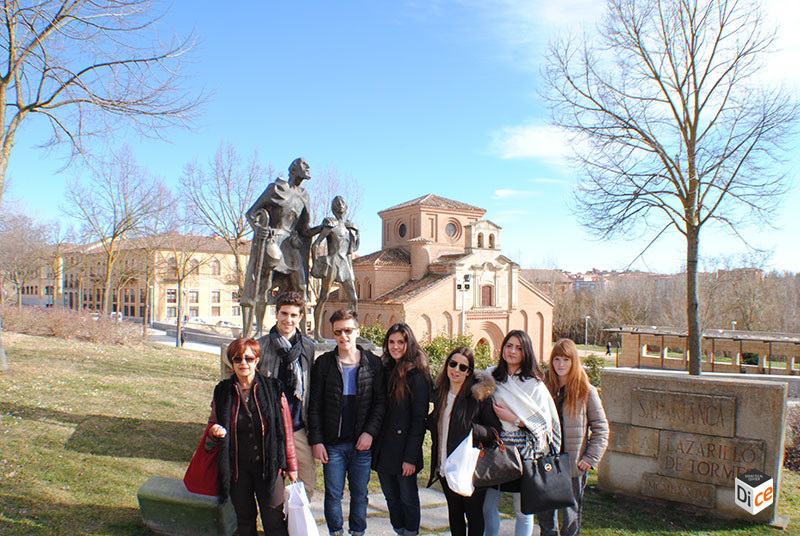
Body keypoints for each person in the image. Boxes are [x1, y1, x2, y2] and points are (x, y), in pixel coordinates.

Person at [206, 337, 298, 536]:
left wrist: (292, 466)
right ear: (232, 362)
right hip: (238, 469)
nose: (243, 363)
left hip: (269, 467)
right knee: (245, 521)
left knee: (274, 521)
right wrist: (214, 431)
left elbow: (286, 430)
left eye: (248, 358)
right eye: (237, 359)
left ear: (257, 360)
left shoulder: (274, 389)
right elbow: (212, 424)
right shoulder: (223, 391)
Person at [308, 309, 386, 536]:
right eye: (338, 332)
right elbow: (315, 406)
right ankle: (335, 532)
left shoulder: (373, 363)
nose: (344, 336)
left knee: (360, 494)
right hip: (333, 444)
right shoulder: (323, 364)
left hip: (361, 444)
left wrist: (370, 433)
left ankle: (357, 532)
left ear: (357, 331)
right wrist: (317, 440)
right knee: (333, 494)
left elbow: (380, 403)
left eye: (348, 330)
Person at [483, 330, 561, 536]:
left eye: (518, 348)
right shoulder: (490, 376)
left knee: (524, 510)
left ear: (526, 352)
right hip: (495, 449)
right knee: (487, 506)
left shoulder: (534, 385)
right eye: (509, 346)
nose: (512, 351)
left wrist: (515, 419)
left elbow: (545, 426)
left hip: (526, 454)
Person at [241, 157, 320, 337]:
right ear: (293, 169)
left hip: (291, 247)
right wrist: (258, 229)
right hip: (273, 241)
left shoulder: (304, 196)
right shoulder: (275, 188)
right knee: (264, 285)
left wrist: (322, 228)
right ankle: (258, 331)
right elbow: (251, 214)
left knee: (301, 286)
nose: (308, 167)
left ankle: (302, 334)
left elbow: (304, 229)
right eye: (303, 165)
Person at [427, 346, 501, 536]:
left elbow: (494, 431)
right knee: (455, 513)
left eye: (462, 367)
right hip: (445, 465)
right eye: (453, 364)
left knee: (474, 515)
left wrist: (474, 431)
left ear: (469, 372)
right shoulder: (440, 394)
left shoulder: (477, 397)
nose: (456, 370)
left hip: (470, 468)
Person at [539, 338, 609, 536]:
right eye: (557, 359)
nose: (560, 365)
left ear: (573, 362)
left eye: (566, 360)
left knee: (570, 519)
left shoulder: (586, 391)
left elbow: (601, 428)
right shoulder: (543, 387)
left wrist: (590, 458)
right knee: (546, 519)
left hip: (573, 465)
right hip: (546, 462)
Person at [256, 290, 317, 498]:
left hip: (298, 425)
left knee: (306, 481)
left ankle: (298, 524)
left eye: (293, 315)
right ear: (276, 313)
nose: (288, 320)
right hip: (270, 425)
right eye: (284, 314)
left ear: (300, 317)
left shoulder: (307, 347)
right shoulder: (262, 345)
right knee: (272, 484)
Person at [372, 323, 431, 536]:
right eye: (391, 342)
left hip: (405, 449)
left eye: (401, 342)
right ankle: (399, 530)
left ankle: (411, 532)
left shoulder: (417, 375)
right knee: (390, 496)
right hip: (384, 447)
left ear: (409, 344)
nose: (395, 347)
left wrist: (410, 457)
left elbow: (418, 420)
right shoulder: (384, 369)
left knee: (408, 496)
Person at [311, 195, 360, 340]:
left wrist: (357, 232)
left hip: (345, 264)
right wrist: (316, 264)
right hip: (332, 263)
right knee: (323, 297)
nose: (340, 205)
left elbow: (354, 248)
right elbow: (315, 245)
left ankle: (355, 332)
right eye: (337, 203)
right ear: (333, 208)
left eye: (342, 203)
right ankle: (317, 334)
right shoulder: (330, 225)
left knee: (354, 299)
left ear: (346, 207)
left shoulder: (349, 227)